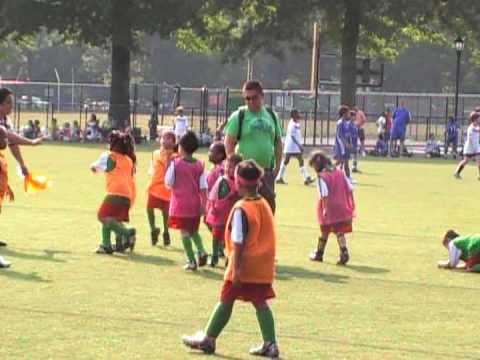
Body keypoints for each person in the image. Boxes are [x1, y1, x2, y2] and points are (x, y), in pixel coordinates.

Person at [182, 160, 279, 358]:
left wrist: (236, 268)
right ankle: (271, 344)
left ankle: (208, 339)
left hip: (243, 264)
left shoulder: (242, 208)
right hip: (262, 265)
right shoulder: (263, 204)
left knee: (226, 299)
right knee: (260, 303)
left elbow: (238, 241)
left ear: (239, 183)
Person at [224, 80, 283, 214]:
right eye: (247, 98)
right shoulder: (239, 116)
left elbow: (278, 142)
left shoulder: (272, 116)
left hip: (266, 172)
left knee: (267, 210)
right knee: (244, 213)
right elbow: (229, 142)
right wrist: (233, 168)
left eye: (254, 98)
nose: (250, 101)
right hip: (245, 173)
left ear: (262, 96)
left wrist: (277, 167)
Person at [0, 87, 43, 251]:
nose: (12, 106)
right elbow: (8, 136)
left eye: (12, 102)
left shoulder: (5, 121)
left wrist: (22, 164)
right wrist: (31, 142)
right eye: (8, 103)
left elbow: (11, 143)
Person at [165, 130, 208, 271]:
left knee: (184, 232)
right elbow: (203, 187)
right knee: (193, 230)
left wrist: (168, 164)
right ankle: (201, 250)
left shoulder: (176, 164)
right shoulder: (200, 165)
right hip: (195, 204)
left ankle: (191, 260)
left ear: (181, 147)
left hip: (180, 204)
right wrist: (204, 204)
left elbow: (168, 182)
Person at [91, 131, 137, 254]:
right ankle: (106, 245)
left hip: (115, 192)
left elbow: (95, 167)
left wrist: (93, 167)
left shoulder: (109, 156)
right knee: (109, 218)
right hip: (128, 194)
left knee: (102, 216)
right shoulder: (128, 159)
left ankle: (128, 233)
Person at [309, 151, 355, 265]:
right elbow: (350, 188)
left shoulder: (321, 177)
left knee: (324, 230)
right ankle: (343, 252)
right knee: (339, 231)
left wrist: (324, 209)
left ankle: (319, 254)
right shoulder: (339, 171)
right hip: (341, 205)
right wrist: (352, 203)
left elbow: (324, 194)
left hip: (329, 207)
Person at [206, 154, 243, 267]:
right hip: (219, 213)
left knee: (231, 237)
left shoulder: (240, 182)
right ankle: (215, 256)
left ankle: (229, 257)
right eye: (227, 166)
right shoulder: (222, 180)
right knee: (216, 235)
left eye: (231, 167)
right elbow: (213, 195)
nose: (228, 169)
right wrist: (212, 208)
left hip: (232, 215)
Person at [146, 130, 177, 247]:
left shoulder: (176, 156)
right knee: (149, 208)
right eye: (164, 137)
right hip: (154, 186)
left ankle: (166, 231)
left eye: (170, 138)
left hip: (167, 189)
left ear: (174, 142)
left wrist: (169, 158)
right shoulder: (155, 153)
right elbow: (152, 167)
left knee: (165, 214)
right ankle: (153, 229)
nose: (166, 140)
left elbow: (171, 171)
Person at [275, 109, 314, 185]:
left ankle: (280, 177)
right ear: (293, 115)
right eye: (296, 113)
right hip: (291, 146)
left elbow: (297, 134)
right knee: (289, 160)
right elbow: (292, 136)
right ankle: (306, 178)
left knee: (291, 160)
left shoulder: (296, 123)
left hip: (294, 146)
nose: (298, 115)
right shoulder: (291, 124)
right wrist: (299, 145)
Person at [454, 112, 480, 179]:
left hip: (476, 146)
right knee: (466, 161)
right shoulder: (471, 128)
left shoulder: (476, 126)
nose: (479, 119)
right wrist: (474, 149)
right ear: (475, 119)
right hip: (470, 147)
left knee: (478, 160)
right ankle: (457, 173)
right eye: (478, 118)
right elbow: (476, 131)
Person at [333, 105, 352, 179]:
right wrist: (346, 143)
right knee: (342, 162)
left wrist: (349, 142)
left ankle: (347, 178)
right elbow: (340, 135)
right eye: (348, 113)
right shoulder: (340, 122)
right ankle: (349, 178)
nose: (349, 114)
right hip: (341, 146)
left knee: (343, 162)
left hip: (344, 146)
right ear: (344, 114)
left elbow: (346, 134)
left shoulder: (345, 122)